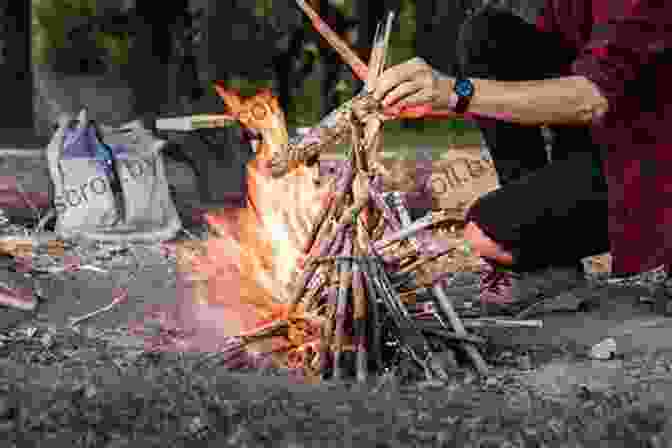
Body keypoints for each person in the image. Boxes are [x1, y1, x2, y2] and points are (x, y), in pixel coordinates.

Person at [372, 1, 672, 315]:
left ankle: (542, 254)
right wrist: (433, 100)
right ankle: (547, 264)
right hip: (600, 151)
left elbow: (590, 99)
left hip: (649, 173)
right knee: (488, 34)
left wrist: (456, 92)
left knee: (487, 234)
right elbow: (552, 73)